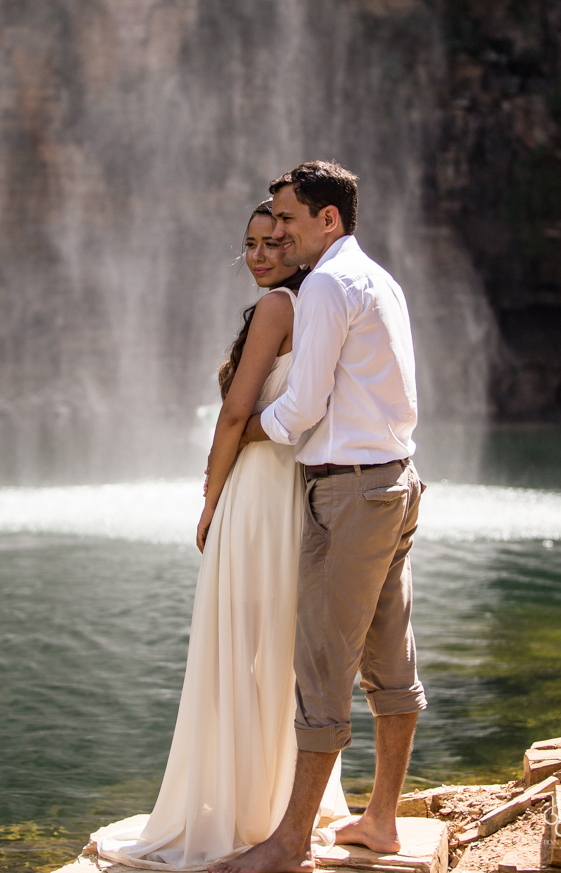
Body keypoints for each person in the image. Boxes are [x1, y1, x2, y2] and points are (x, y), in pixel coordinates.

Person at [91, 202, 348, 870]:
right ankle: (273, 806)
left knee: (241, 645)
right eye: (251, 244)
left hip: (256, 494)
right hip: (290, 493)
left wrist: (209, 500)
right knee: (279, 649)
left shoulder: (277, 309)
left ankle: (237, 810)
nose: (260, 255)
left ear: (299, 244)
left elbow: (236, 413)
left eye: (274, 242)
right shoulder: (316, 305)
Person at [210, 161, 427, 873]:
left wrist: (244, 431)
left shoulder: (330, 284)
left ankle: (289, 841)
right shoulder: (380, 279)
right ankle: (382, 820)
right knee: (389, 660)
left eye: (292, 222)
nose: (282, 235)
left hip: (351, 492)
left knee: (323, 666)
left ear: (328, 219)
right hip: (396, 480)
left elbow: (301, 411)